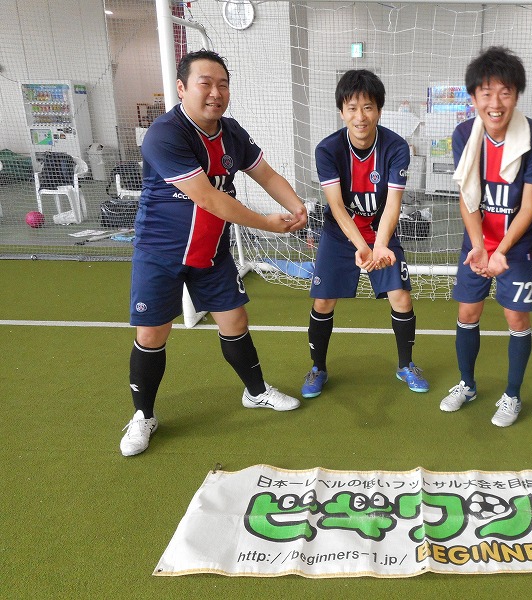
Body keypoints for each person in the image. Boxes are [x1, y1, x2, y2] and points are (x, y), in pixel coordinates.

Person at [119, 50, 308, 457]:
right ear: (182, 88)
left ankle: (255, 392)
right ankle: (143, 415)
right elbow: (208, 198)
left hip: (212, 252)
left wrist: (297, 207)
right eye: (205, 83)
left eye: (222, 84)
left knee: (235, 321)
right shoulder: (165, 134)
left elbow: (266, 174)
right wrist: (267, 224)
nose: (215, 93)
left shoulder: (232, 132)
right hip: (161, 252)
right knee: (152, 334)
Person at [300, 69, 428, 398]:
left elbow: (393, 204)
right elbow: (336, 206)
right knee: (323, 300)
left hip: (379, 233)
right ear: (342, 111)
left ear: (379, 110)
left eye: (368, 107)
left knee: (401, 296)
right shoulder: (328, 150)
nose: (360, 116)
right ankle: (317, 368)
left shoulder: (396, 147)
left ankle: (406, 365)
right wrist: (362, 247)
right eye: (352, 108)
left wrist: (380, 246)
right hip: (340, 235)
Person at [440, 46, 532, 427]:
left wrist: (500, 250)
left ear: (516, 95)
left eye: (505, 92)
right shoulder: (463, 135)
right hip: (477, 245)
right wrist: (479, 247)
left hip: (515, 247)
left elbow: (529, 206)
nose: (495, 103)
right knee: (467, 312)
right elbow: (467, 197)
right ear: (473, 98)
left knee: (516, 317)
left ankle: (512, 395)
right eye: (486, 93)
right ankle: (467, 385)